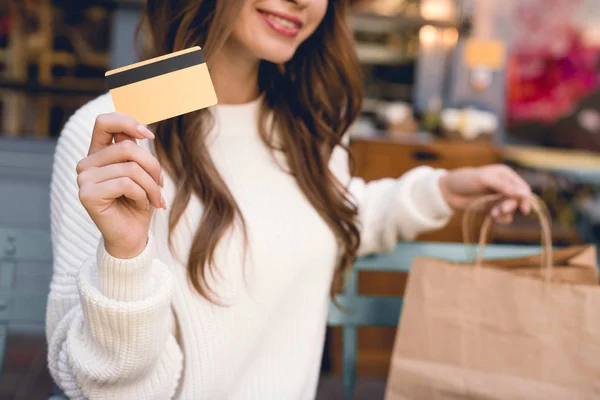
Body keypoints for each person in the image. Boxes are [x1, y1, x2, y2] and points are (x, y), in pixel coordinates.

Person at [46, 1, 532, 399]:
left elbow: (319, 215)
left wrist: (442, 190)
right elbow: (99, 386)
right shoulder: (114, 136)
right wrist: (125, 259)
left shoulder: (304, 124)